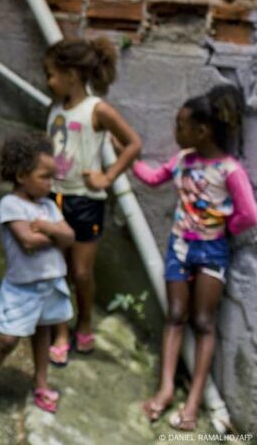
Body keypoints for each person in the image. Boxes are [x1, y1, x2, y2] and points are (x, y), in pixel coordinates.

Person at [135, 85, 257, 431]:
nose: (176, 132)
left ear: (202, 130)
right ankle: (165, 389)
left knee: (203, 322)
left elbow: (249, 213)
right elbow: (154, 177)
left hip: (211, 251)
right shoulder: (182, 160)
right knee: (175, 315)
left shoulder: (228, 169)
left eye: (181, 125)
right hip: (178, 247)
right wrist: (129, 159)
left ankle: (193, 403)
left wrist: (223, 227)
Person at [0, 133, 75, 421]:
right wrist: (54, 233)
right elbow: (27, 241)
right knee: (7, 339)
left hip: (50, 283)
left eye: (52, 177)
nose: (51, 183)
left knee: (43, 332)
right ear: (22, 175)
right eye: (45, 176)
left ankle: (41, 383)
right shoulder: (10, 205)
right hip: (22, 288)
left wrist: (47, 229)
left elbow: (70, 237)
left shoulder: (47, 207)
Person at [42, 38, 141, 365]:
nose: (48, 81)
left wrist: (108, 177)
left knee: (81, 273)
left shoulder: (97, 109)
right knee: (57, 270)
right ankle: (60, 331)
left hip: (86, 201)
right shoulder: (55, 107)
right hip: (55, 198)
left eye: (52, 74)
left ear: (71, 74)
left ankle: (84, 322)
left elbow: (133, 143)